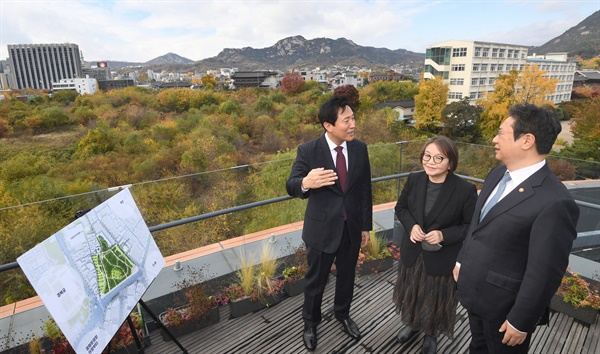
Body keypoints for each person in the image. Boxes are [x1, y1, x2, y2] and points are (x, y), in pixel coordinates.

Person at [454, 103, 580, 354]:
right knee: (477, 347)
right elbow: (477, 226)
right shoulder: (497, 174)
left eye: (501, 133)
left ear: (527, 140)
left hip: (505, 310)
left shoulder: (555, 202)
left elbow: (544, 272)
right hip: (475, 293)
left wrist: (520, 320)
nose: (494, 139)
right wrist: (461, 261)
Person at [286, 95, 373, 351]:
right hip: (321, 230)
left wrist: (365, 226)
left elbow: (365, 190)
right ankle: (310, 323)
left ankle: (342, 315)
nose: (353, 124)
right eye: (346, 120)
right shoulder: (309, 150)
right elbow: (291, 185)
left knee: (347, 278)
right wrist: (305, 183)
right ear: (328, 125)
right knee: (316, 282)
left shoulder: (360, 148)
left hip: (351, 229)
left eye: (353, 118)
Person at [393, 136, 478, 354]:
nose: (430, 162)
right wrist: (411, 225)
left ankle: (431, 333)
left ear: (450, 162)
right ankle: (412, 324)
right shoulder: (414, 179)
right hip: (414, 252)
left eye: (439, 158)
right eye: (427, 156)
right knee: (412, 291)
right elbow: (401, 208)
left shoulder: (464, 190)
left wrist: (443, 235)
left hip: (442, 256)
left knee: (436, 297)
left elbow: (470, 226)